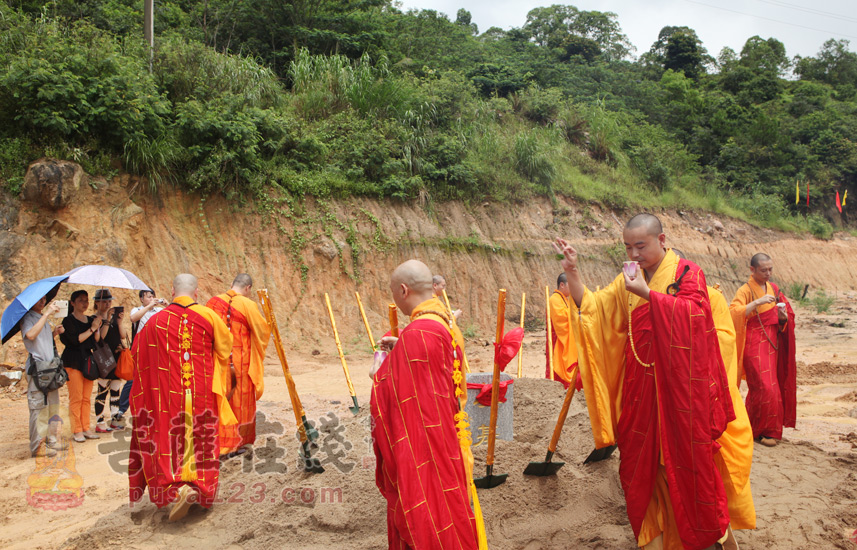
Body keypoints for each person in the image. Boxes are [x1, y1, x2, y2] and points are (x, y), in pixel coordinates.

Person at [554, 213, 734, 550]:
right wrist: (572, 272)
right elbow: (594, 309)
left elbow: (696, 318)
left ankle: (705, 540)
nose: (634, 254)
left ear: (662, 240)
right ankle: (658, 539)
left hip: (682, 390)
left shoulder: (686, 273)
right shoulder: (629, 277)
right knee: (641, 466)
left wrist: (650, 296)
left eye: (641, 246)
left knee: (690, 465)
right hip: (642, 390)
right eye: (628, 247)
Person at [371, 260, 481, 550]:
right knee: (450, 503)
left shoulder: (417, 334)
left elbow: (395, 393)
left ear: (403, 290)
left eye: (394, 293)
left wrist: (379, 370)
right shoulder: (443, 321)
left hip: (427, 445)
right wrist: (402, 349)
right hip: (447, 435)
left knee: (430, 513)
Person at [129, 273, 235, 521]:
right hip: (201, 392)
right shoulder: (209, 316)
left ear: (171, 290)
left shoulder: (155, 321)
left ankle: (173, 490)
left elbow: (137, 355)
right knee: (201, 438)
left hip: (166, 397)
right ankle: (200, 489)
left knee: (167, 439)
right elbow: (225, 348)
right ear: (197, 292)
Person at [673, 249, 756, 544]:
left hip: (707, 392)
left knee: (713, 467)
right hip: (670, 395)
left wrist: (690, 351)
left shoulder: (713, 297)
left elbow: (724, 341)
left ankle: (719, 532)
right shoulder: (654, 296)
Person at [729, 253, 796, 448]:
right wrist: (757, 302)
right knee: (765, 387)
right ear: (752, 270)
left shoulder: (774, 288)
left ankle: (755, 429)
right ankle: (765, 430)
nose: (768, 273)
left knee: (766, 388)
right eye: (763, 270)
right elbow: (734, 312)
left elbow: (786, 318)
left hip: (771, 343)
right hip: (753, 343)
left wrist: (783, 318)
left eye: (770, 269)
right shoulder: (745, 290)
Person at [205, 273, 271, 458]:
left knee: (221, 400)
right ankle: (240, 443)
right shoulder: (248, 305)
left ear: (232, 284)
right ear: (248, 288)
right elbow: (262, 332)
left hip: (218, 362)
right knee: (241, 403)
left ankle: (220, 443)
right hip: (241, 364)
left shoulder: (212, 303)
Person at [113, 289, 167, 429]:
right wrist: (149, 306)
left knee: (155, 380)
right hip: (140, 350)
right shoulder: (137, 310)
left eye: (153, 296)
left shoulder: (159, 311)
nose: (152, 299)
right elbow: (133, 318)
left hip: (156, 351)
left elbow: (173, 318)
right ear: (141, 299)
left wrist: (167, 306)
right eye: (148, 297)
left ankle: (152, 411)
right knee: (133, 380)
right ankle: (121, 409)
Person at [21, 297, 66, 457]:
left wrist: (54, 333)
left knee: (53, 405)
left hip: (50, 368)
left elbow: (42, 341)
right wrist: (47, 314)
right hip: (37, 369)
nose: (42, 301)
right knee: (37, 407)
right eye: (38, 299)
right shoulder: (28, 318)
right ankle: (37, 447)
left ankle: (52, 441)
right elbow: (31, 335)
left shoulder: (42, 319)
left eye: (44, 299)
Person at [60, 290, 101, 443]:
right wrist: (91, 329)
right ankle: (77, 430)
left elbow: (95, 340)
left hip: (87, 362)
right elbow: (76, 340)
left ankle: (86, 427)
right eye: (81, 300)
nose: (84, 303)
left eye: (86, 300)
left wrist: (96, 326)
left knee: (86, 398)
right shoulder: (67, 321)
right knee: (76, 398)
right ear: (73, 303)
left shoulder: (90, 319)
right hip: (73, 362)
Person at [91, 289, 128, 433]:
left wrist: (118, 322)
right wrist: (106, 319)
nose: (107, 304)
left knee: (115, 390)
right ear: (97, 302)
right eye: (104, 301)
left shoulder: (113, 318)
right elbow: (101, 338)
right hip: (104, 359)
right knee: (102, 391)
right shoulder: (95, 318)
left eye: (109, 301)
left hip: (116, 357)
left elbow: (123, 335)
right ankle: (99, 421)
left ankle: (115, 418)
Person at [546, 272, 579, 389]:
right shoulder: (554, 299)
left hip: (564, 339)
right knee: (556, 368)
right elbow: (562, 319)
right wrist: (575, 313)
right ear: (562, 285)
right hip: (557, 340)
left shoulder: (565, 299)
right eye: (570, 286)